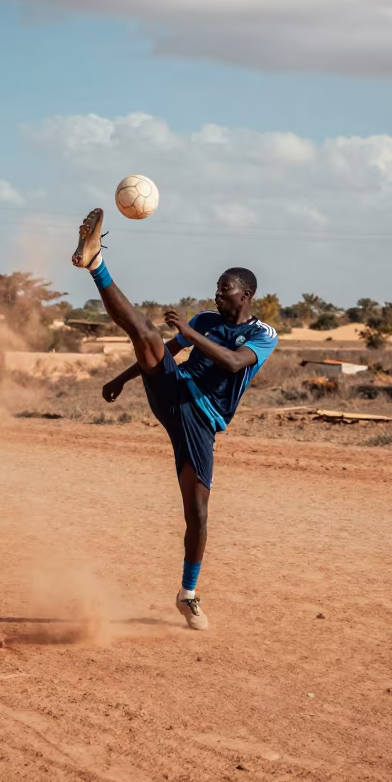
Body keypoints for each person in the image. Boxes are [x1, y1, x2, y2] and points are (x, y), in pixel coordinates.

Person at [72, 207, 278, 631]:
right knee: (146, 334)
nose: (218, 296)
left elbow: (234, 363)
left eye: (225, 291)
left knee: (197, 512)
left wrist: (191, 330)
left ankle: (188, 595)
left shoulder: (262, 334)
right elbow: (165, 347)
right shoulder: (204, 319)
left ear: (246, 296)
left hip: (202, 422)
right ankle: (96, 264)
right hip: (172, 391)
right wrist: (122, 378)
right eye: (217, 289)